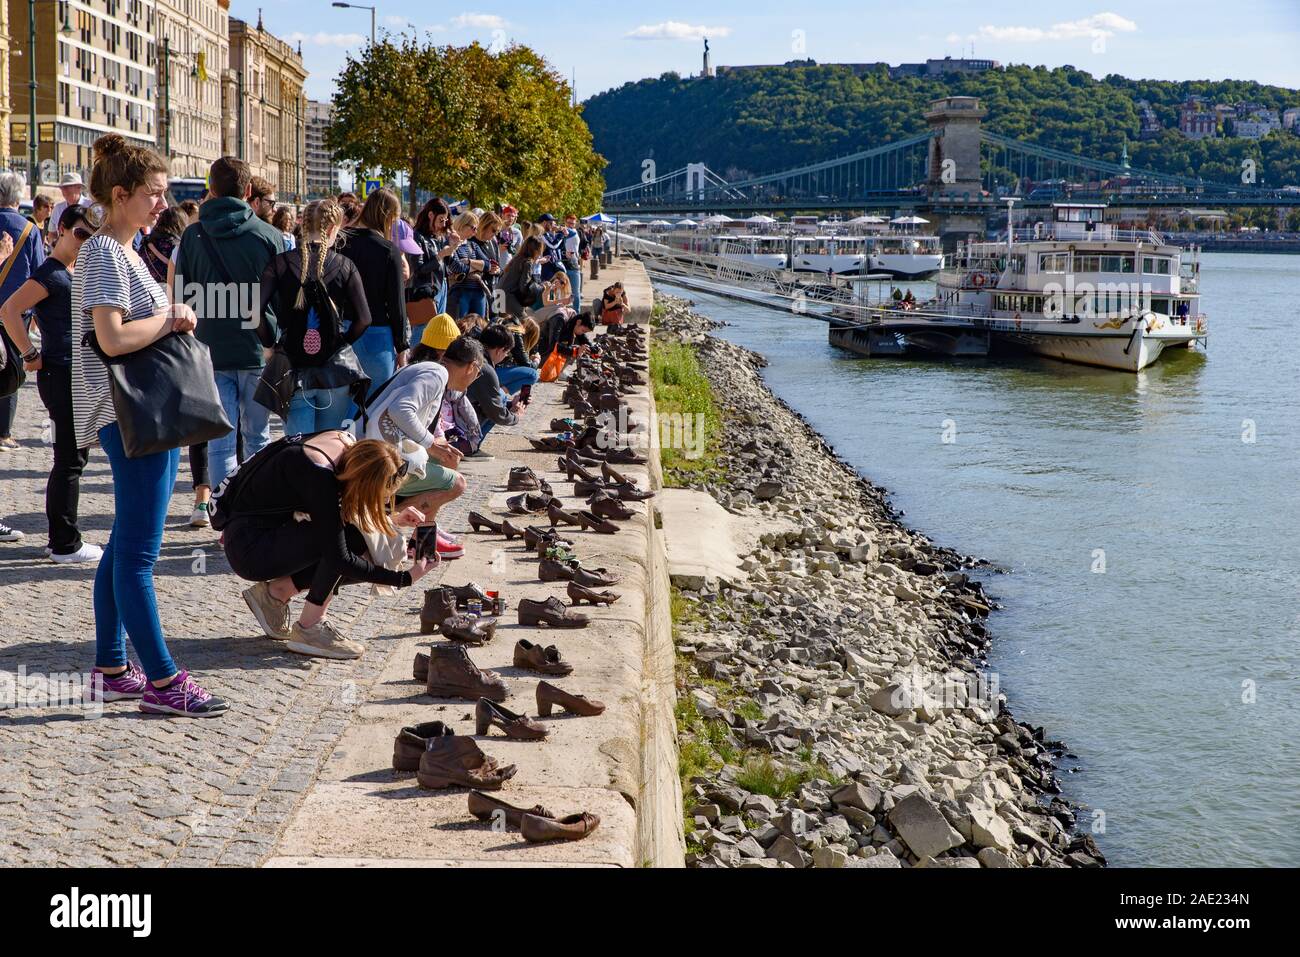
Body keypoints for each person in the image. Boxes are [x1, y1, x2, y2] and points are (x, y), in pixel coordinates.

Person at [72, 133, 227, 716]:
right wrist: (169, 319)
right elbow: (112, 338)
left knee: (123, 547)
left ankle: (112, 668)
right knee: (139, 554)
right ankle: (164, 682)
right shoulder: (107, 252)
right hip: (130, 412)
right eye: (154, 194)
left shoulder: (121, 249)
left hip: (138, 411)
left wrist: (167, 317)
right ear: (120, 194)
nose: (163, 204)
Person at [223, 433, 438, 659]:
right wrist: (405, 579)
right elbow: (340, 559)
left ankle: (276, 593)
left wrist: (392, 518)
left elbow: (339, 511)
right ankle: (310, 628)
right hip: (250, 550)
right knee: (349, 542)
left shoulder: (341, 442)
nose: (380, 503)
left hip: (254, 533)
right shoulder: (319, 477)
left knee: (353, 537)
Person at [170, 155, 285, 502]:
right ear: (248, 190)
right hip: (257, 348)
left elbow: (182, 298)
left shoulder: (193, 236)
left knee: (220, 442)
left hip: (209, 350)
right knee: (258, 437)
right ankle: (255, 507)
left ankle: (223, 508)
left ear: (211, 190)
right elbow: (281, 300)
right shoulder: (269, 236)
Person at [0, 205, 99, 562]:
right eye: (81, 234)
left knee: (74, 457)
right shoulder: (51, 273)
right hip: (60, 374)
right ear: (61, 229)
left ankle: (63, 538)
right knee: (69, 460)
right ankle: (64, 542)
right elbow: (9, 310)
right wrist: (28, 354)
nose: (85, 242)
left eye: (92, 236)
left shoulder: (73, 271)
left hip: (72, 372)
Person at [255, 198, 372, 434]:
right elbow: (364, 319)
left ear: (303, 225)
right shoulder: (344, 265)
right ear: (331, 229)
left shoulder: (280, 263)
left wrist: (269, 345)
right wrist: (341, 343)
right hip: (335, 371)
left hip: (293, 367)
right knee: (328, 445)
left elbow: (254, 309)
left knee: (298, 447)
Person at [352, 333, 479, 529]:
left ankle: (424, 536)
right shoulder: (437, 374)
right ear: (472, 367)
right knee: (458, 484)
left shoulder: (429, 368)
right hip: (377, 457)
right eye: (478, 374)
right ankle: (385, 521)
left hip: (373, 445)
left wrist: (437, 444)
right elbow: (400, 409)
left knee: (447, 460)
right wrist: (430, 444)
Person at [338, 188, 410, 401]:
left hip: (344, 329)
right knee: (375, 402)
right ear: (388, 217)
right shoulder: (388, 250)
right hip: (377, 333)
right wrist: (402, 346)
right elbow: (397, 303)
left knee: (345, 405)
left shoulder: (341, 242)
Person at [0, 170, 47, 455]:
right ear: (19, 198)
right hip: (18, 311)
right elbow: (40, 272)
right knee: (12, 368)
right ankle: (4, 432)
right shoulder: (29, 230)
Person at [467, 324, 534, 443]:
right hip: (461, 428)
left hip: (453, 420)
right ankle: (471, 445)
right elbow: (496, 413)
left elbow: (486, 401)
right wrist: (516, 415)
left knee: (500, 398)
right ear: (499, 350)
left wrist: (510, 405)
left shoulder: (473, 357)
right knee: (501, 396)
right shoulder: (486, 370)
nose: (506, 356)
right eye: (506, 352)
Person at [411, 197, 455, 318]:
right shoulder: (418, 236)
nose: (444, 224)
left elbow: (449, 263)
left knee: (438, 330)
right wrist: (440, 255)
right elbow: (419, 269)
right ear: (431, 215)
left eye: (445, 220)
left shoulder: (439, 236)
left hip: (442, 286)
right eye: (441, 220)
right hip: (427, 290)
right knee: (422, 331)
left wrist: (453, 246)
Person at [445, 210, 493, 320]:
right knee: (460, 327)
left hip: (478, 293)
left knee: (479, 327)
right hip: (460, 293)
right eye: (473, 228)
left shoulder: (473, 245)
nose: (475, 232)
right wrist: (476, 268)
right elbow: (457, 267)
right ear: (463, 224)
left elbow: (488, 265)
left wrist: (469, 261)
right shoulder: (451, 244)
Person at [139, 206, 187, 284]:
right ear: (181, 223)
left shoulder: (146, 241)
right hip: (170, 291)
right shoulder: (178, 247)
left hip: (145, 288)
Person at [49, 172, 91, 244]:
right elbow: (52, 234)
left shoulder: (90, 206)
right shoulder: (58, 209)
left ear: (79, 187)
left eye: (68, 186)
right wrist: (55, 245)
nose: (64, 190)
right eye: (62, 188)